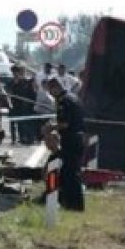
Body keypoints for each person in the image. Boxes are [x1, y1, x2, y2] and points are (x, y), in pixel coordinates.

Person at [46, 75, 85, 211]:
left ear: (55, 88)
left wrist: (51, 127)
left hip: (71, 140)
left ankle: (75, 205)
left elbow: (65, 123)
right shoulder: (73, 97)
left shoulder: (63, 101)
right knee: (70, 172)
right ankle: (67, 201)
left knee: (71, 173)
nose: (50, 94)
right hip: (78, 138)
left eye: (50, 91)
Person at [4, 64, 37, 144]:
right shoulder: (10, 82)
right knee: (12, 123)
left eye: (16, 72)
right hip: (12, 105)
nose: (15, 74)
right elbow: (7, 92)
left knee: (21, 123)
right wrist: (8, 95)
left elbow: (28, 91)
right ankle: (13, 139)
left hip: (21, 105)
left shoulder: (24, 82)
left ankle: (22, 137)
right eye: (13, 72)